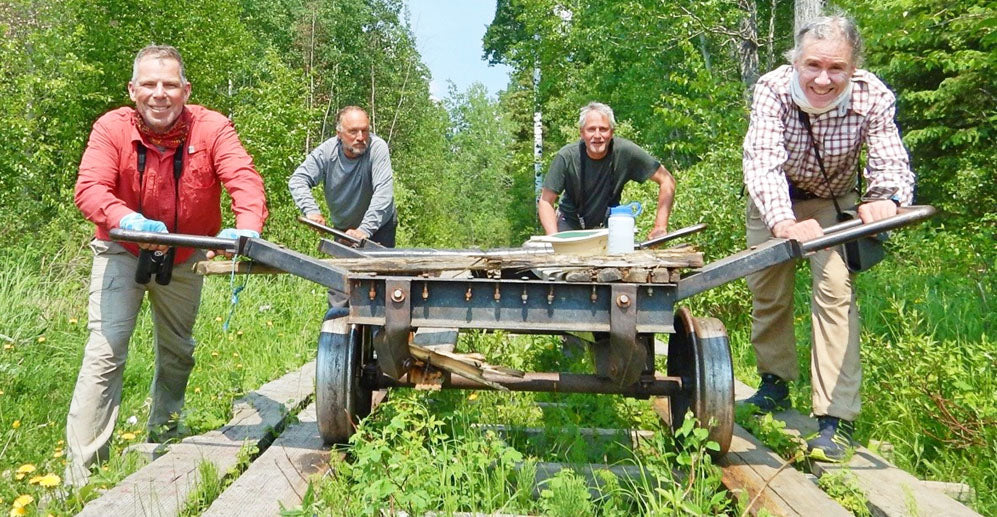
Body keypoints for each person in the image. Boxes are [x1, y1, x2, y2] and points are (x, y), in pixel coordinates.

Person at [66, 45, 268, 487]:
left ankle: (164, 432)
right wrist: (128, 221)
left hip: (184, 253)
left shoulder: (213, 128)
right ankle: (81, 478)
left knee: (178, 351)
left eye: (170, 84)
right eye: (150, 85)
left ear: (185, 90)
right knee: (105, 352)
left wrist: (246, 228)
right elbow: (90, 188)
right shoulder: (110, 128)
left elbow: (244, 180)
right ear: (133, 90)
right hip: (123, 247)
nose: (160, 94)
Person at [741, 14, 915, 461]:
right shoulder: (773, 89)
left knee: (835, 290)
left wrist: (885, 198)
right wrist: (783, 222)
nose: (823, 78)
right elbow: (763, 161)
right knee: (768, 287)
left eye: (836, 68)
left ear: (853, 67)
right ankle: (774, 384)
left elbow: (890, 158)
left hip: (833, 199)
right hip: (775, 196)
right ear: (795, 61)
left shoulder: (872, 95)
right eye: (813, 65)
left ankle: (835, 420)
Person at [288, 106, 397, 307]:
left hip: (379, 227)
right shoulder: (326, 152)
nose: (360, 137)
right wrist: (311, 210)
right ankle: (339, 335)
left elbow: (384, 193)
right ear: (339, 134)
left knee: (381, 289)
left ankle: (378, 337)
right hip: (343, 229)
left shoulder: (377, 148)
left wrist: (365, 229)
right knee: (341, 292)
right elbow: (298, 179)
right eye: (353, 131)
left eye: (364, 130)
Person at [538, 102, 676, 239]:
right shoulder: (567, 156)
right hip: (570, 223)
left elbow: (667, 180)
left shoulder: (626, 152)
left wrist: (660, 226)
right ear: (582, 132)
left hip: (609, 224)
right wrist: (554, 240)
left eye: (603, 129)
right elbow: (545, 201)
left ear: (612, 132)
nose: (597, 135)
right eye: (591, 129)